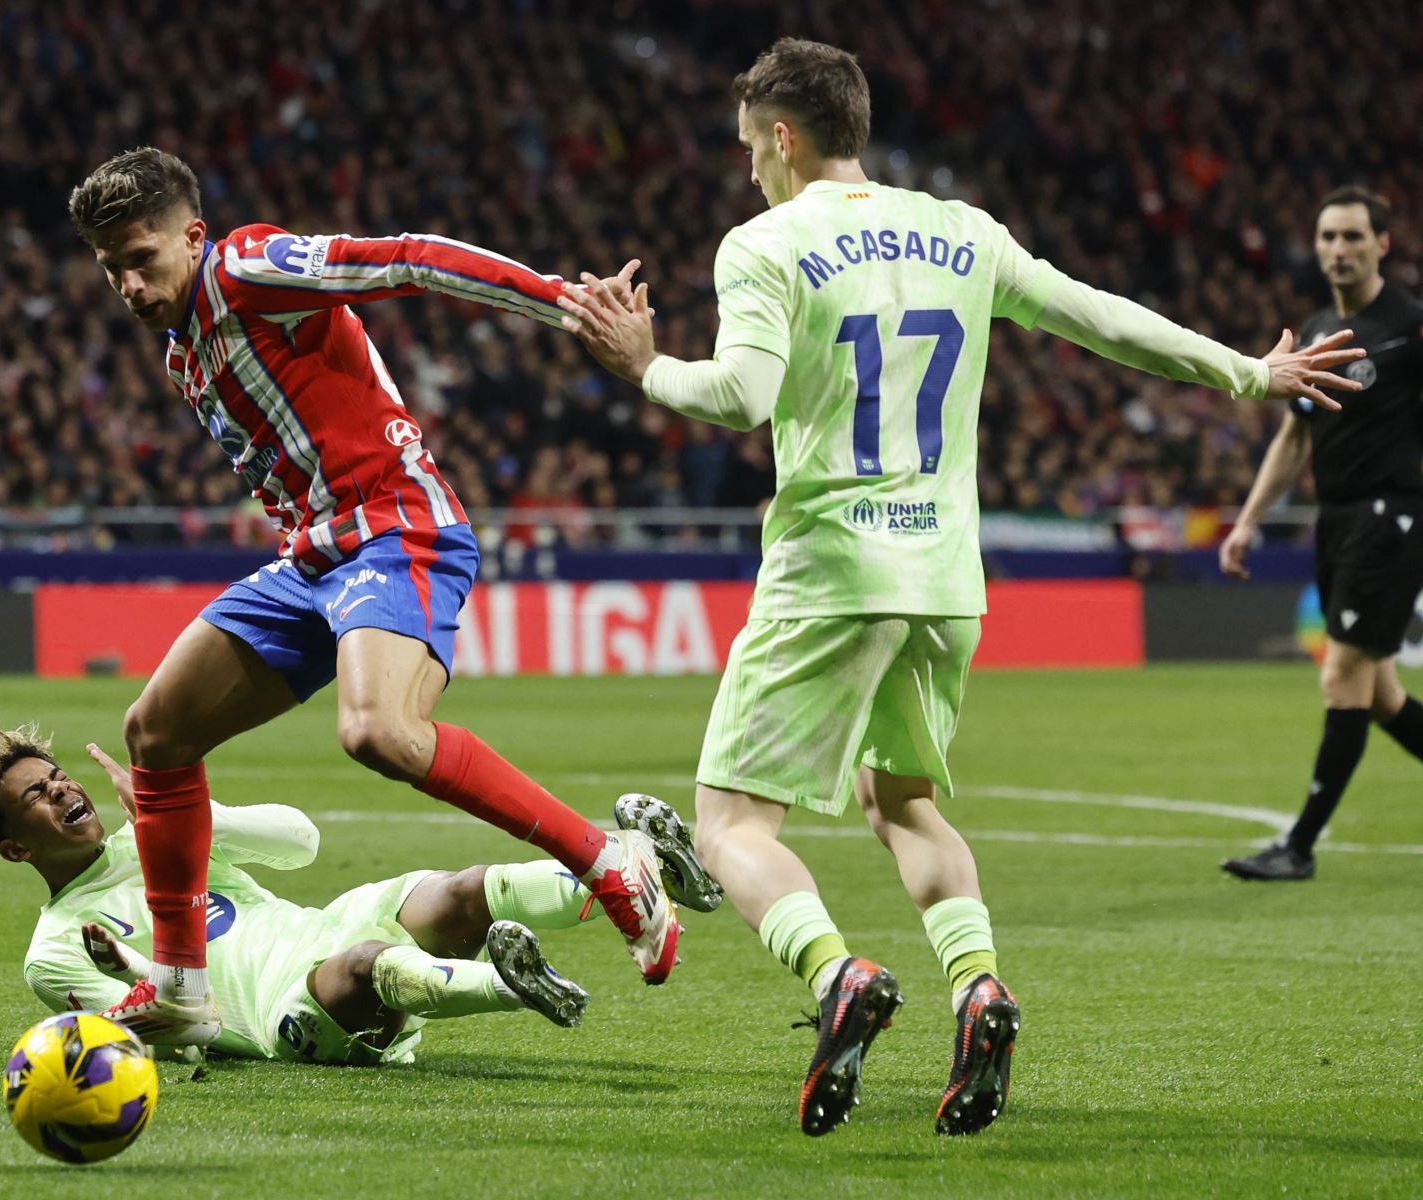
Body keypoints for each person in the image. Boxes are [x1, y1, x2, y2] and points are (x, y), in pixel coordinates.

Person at [556, 38, 1364, 1137]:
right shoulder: (961, 231)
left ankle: (834, 973)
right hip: (944, 578)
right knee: (909, 804)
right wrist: (1248, 371)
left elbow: (739, 396)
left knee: (730, 825)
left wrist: (641, 362)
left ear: (786, 138)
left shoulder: (765, 242)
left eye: (751, 146)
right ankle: (979, 985)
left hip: (832, 569)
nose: (747, 167)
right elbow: (1099, 316)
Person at [64, 145, 685, 1046]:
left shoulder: (246, 268)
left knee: (379, 732)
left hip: (398, 528)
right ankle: (181, 984)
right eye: (109, 267)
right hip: (312, 556)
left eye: (140, 256)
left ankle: (606, 862)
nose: (126, 282)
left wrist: (566, 301)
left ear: (192, 236)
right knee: (156, 731)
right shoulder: (182, 351)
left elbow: (409, 257)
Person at [0, 724, 718, 1063]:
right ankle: (516, 985)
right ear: (15, 848)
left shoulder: (145, 841)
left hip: (316, 922)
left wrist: (189, 818)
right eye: (36, 793)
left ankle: (640, 860)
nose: (62, 788)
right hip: (282, 1008)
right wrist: (131, 966)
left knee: (457, 892)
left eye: (58, 775)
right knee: (365, 963)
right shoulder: (55, 952)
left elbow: (301, 843)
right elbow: (182, 1031)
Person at [1219, 187, 1423, 882]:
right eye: (1328, 237)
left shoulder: (1409, 325)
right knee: (1384, 697)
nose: (1338, 250)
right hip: (1337, 522)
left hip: (1391, 518)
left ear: (1382, 245)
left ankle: (1299, 845)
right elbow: (1294, 436)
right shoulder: (1312, 332)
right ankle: (1299, 844)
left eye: (1353, 237)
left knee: (1342, 677)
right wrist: (1247, 521)